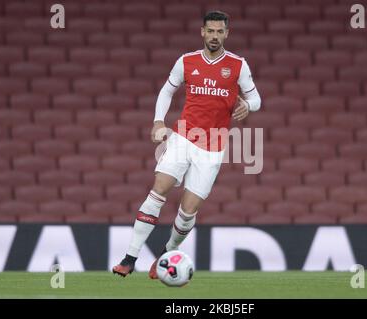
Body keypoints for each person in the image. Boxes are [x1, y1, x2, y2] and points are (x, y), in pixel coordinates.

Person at [112, 11, 261, 278]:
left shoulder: (238, 65)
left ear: (227, 33)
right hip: (183, 138)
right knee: (159, 190)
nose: (214, 36)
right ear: (202, 32)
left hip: (212, 148)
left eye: (220, 31)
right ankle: (130, 257)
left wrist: (248, 105)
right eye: (210, 31)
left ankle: (165, 254)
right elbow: (167, 90)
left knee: (187, 212)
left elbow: (256, 98)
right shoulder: (187, 61)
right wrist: (158, 121)